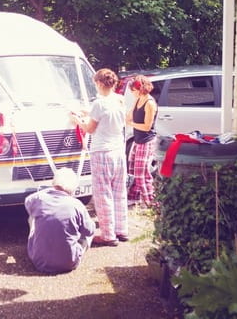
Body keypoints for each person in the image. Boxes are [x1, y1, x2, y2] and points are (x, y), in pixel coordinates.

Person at [70, 68, 129, 247]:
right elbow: (108, 116)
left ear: (100, 83)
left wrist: (77, 120)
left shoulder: (98, 103)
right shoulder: (119, 100)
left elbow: (90, 129)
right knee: (119, 192)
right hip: (119, 150)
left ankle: (108, 234)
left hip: (102, 151)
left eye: (96, 83)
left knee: (103, 193)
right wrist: (87, 113)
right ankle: (121, 229)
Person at [24, 168, 96, 274]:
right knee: (88, 227)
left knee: (33, 218)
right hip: (69, 263)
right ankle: (68, 250)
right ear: (73, 188)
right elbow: (89, 231)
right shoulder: (77, 205)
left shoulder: (39, 199)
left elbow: (28, 203)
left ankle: (41, 246)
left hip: (38, 262)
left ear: (53, 182)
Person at [126, 75, 158, 207]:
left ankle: (150, 201)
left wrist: (131, 123)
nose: (132, 93)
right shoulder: (138, 99)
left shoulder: (150, 103)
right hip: (137, 140)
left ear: (139, 88)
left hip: (147, 140)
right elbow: (129, 115)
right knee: (133, 168)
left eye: (133, 90)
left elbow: (147, 126)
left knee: (141, 173)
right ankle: (134, 197)